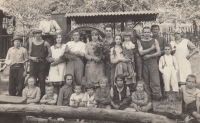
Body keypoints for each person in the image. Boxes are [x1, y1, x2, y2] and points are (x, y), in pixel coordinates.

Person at [138, 26, 162, 100]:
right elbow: (141, 52)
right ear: (143, 33)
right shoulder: (140, 41)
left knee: (155, 80)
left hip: (153, 62)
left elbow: (159, 53)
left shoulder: (154, 40)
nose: (146, 34)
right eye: (145, 32)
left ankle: (157, 97)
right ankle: (148, 97)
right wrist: (151, 49)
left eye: (148, 32)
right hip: (144, 62)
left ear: (150, 32)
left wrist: (150, 56)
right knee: (146, 80)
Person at [29, 29, 50, 97]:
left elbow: (49, 54)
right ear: (34, 35)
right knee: (32, 80)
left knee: (42, 80)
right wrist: (32, 58)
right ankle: (32, 95)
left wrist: (45, 59)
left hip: (41, 64)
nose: (37, 35)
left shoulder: (45, 43)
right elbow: (28, 55)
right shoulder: (31, 43)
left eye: (39, 33)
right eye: (36, 34)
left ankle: (42, 96)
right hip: (33, 64)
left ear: (41, 34)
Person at [151, 24, 167, 97]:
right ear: (151, 30)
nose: (155, 31)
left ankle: (163, 93)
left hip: (160, 59)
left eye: (156, 29)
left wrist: (159, 52)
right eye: (153, 29)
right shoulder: (150, 39)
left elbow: (166, 49)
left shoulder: (162, 39)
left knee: (161, 76)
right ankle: (154, 93)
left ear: (159, 30)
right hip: (152, 60)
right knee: (153, 77)